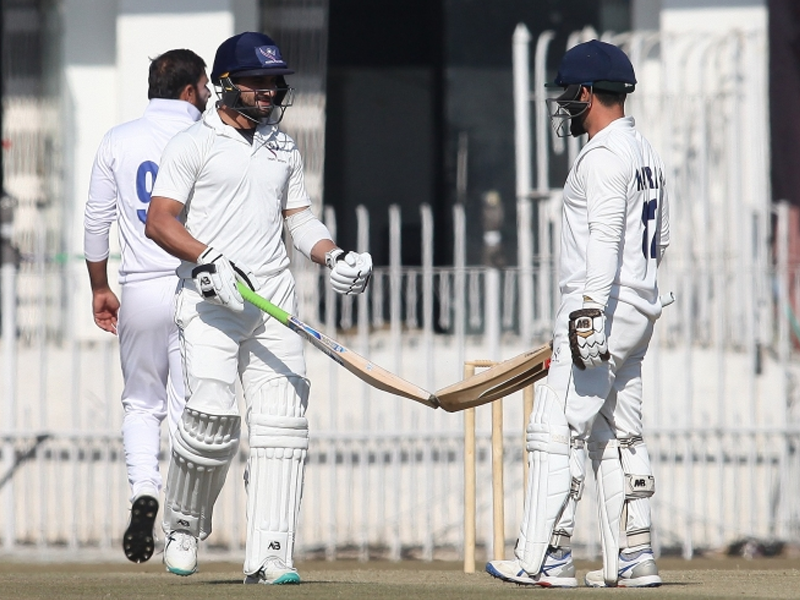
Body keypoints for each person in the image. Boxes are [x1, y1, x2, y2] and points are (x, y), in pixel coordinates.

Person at [144, 31, 372, 584]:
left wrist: (332, 254)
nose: (270, 91)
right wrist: (208, 257)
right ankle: (183, 524)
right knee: (213, 415)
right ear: (225, 84)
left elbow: (299, 220)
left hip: (272, 303)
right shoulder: (192, 144)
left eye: (274, 81)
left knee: (282, 427)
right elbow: (160, 221)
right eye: (258, 81)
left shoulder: (282, 145)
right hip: (211, 302)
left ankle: (271, 553)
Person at [486, 39, 670, 588]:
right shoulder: (647, 153)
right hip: (640, 305)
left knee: (554, 428)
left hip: (601, 309)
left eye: (567, 93)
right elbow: (660, 241)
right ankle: (634, 557)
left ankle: (544, 558)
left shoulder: (604, 156)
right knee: (620, 434)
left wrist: (588, 312)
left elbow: (607, 236)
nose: (563, 104)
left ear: (586, 92)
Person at [84, 48, 211, 564]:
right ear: (189, 91)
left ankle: (145, 490)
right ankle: (181, 527)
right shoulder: (205, 139)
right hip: (192, 289)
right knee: (188, 410)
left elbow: (96, 222)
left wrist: (99, 286)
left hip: (137, 289)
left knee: (141, 404)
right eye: (204, 86)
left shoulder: (118, 139)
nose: (208, 95)